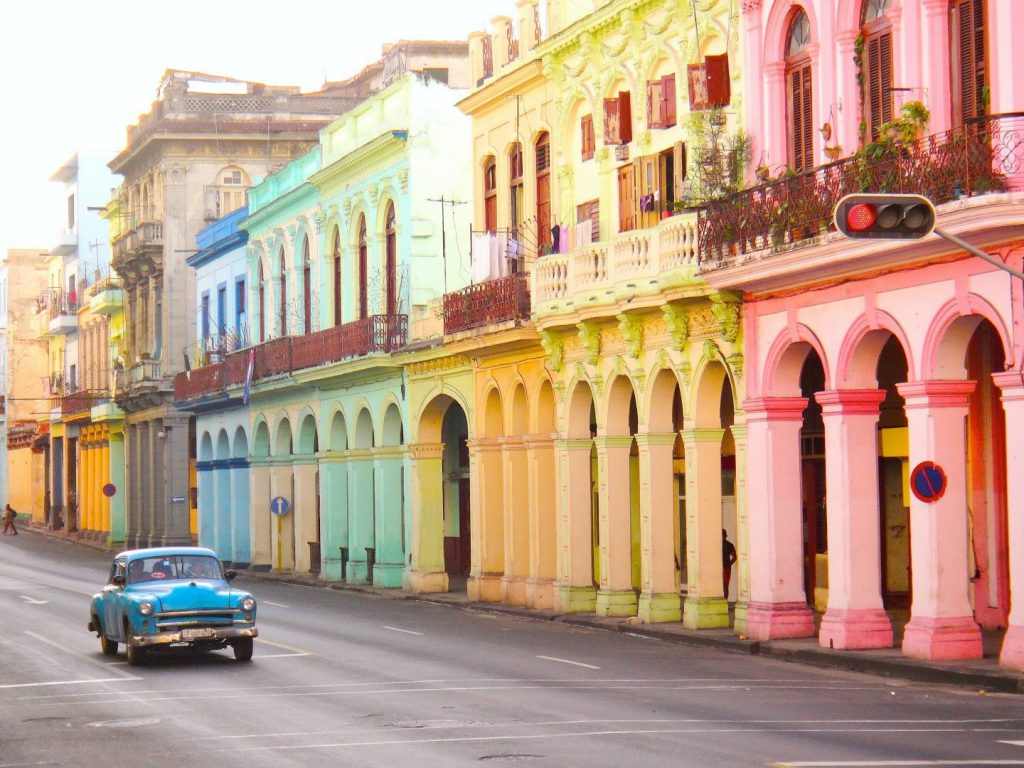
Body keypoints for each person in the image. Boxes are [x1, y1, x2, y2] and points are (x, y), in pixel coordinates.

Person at [722, 529, 737, 599]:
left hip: (725, 568)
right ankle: (725, 602)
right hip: (726, 567)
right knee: (725, 586)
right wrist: (729, 564)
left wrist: (728, 564)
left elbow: (734, 557)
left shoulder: (716, 544)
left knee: (724, 586)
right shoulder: (730, 545)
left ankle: (724, 602)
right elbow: (734, 557)